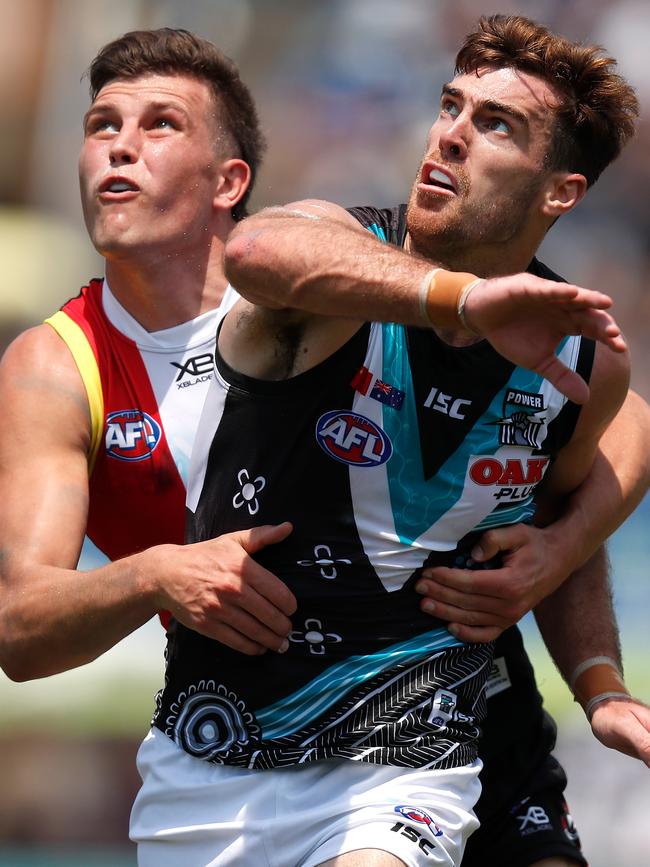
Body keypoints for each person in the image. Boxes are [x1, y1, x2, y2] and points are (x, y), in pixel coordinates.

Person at [0, 21, 645, 867]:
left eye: (159, 124)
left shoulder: (336, 291)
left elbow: (617, 424)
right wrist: (158, 571)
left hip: (433, 730)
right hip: (222, 744)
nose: (119, 149)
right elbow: (20, 626)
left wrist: (568, 585)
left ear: (232, 179)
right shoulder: (74, 358)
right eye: (100, 126)